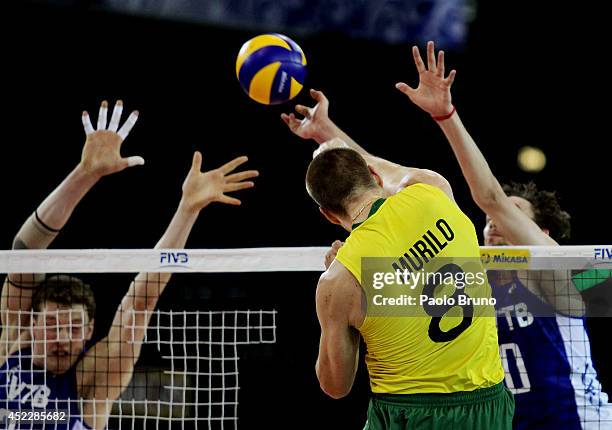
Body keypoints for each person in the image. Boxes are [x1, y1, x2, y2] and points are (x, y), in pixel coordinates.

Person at [282, 47, 514, 429]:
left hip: (410, 412)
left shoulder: (338, 281)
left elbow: (336, 387)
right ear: (372, 178)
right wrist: (328, 134)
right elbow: (382, 168)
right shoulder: (431, 188)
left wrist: (341, 304)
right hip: (488, 401)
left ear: (326, 214)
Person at [0, 100, 258, 429]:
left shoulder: (91, 380)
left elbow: (140, 302)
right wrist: (84, 174)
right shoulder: (9, 349)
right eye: (52, 325)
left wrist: (187, 210)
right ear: (30, 323)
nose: (63, 338)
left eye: (75, 327)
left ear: (91, 331)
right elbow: (25, 250)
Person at [394, 42, 612, 429]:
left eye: (514, 216)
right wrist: (330, 138)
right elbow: (396, 182)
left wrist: (445, 115)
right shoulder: (473, 284)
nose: (493, 222)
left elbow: (491, 199)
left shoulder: (553, 268)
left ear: (539, 233)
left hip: (578, 422)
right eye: (491, 220)